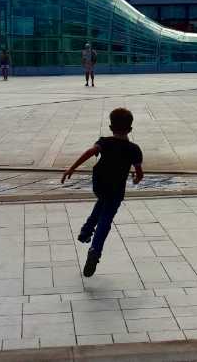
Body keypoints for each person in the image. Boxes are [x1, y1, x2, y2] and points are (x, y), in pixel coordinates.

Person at [61, 107, 143, 277]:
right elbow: (139, 173)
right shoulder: (134, 149)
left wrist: (71, 168)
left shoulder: (104, 142)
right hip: (116, 188)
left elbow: (90, 152)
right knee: (106, 218)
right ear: (130, 129)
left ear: (111, 127)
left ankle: (85, 231)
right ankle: (95, 250)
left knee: (102, 202)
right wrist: (135, 178)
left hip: (100, 184)